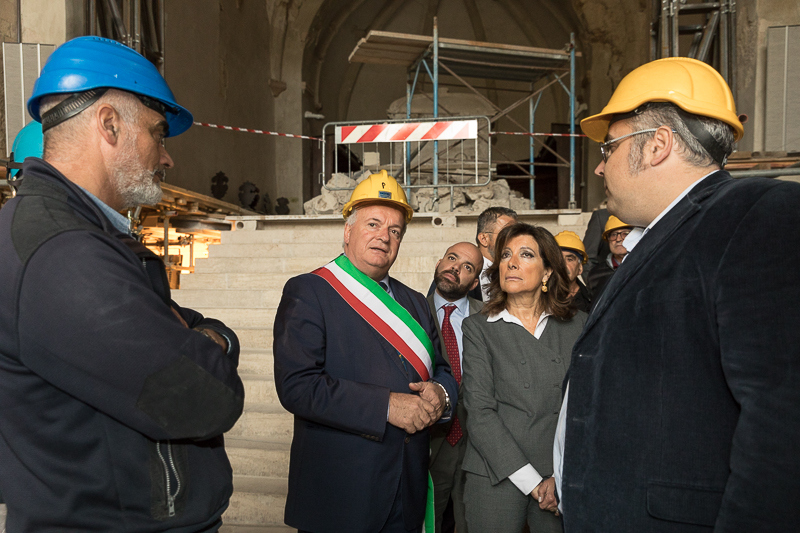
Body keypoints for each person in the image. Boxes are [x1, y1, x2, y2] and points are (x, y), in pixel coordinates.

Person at [0, 36, 244, 532]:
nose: (167, 158)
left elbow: (177, 335)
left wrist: (198, 338)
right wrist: (211, 342)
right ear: (109, 124)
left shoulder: (81, 235)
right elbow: (203, 400)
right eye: (158, 133)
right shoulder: (62, 252)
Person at [560, 57, 800, 531]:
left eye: (608, 147)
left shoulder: (758, 215)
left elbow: (782, 424)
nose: (600, 166)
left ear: (657, 145)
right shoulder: (663, 235)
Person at [273, 169, 459, 533]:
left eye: (395, 231)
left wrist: (441, 394)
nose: (384, 237)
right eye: (373, 224)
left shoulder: (416, 303)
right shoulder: (310, 291)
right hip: (341, 493)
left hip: (407, 490)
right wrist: (386, 406)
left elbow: (444, 371)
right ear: (348, 230)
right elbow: (298, 386)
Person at [460, 223, 586, 532]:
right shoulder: (479, 327)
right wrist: (532, 481)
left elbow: (587, 408)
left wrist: (561, 474)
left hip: (559, 476)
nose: (512, 263)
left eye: (525, 254)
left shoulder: (579, 325)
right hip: (494, 471)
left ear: (546, 272)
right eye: (505, 255)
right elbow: (479, 412)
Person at [426, 242, 484, 533]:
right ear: (439, 262)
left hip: (477, 442)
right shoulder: (410, 311)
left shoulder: (490, 316)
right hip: (430, 439)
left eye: (467, 267)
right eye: (451, 258)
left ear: (474, 283)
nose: (455, 268)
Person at [474, 206, 518, 301]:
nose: (515, 240)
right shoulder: (458, 271)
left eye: (515, 234)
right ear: (484, 239)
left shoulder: (518, 270)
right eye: (506, 233)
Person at [585, 216, 633, 299]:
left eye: (625, 234)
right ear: (608, 240)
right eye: (613, 235)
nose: (618, 239)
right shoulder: (595, 274)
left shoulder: (644, 266)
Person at [553, 231, 592, 312]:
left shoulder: (592, 299)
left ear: (580, 268)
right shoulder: (540, 297)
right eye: (558, 259)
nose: (563, 265)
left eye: (570, 259)